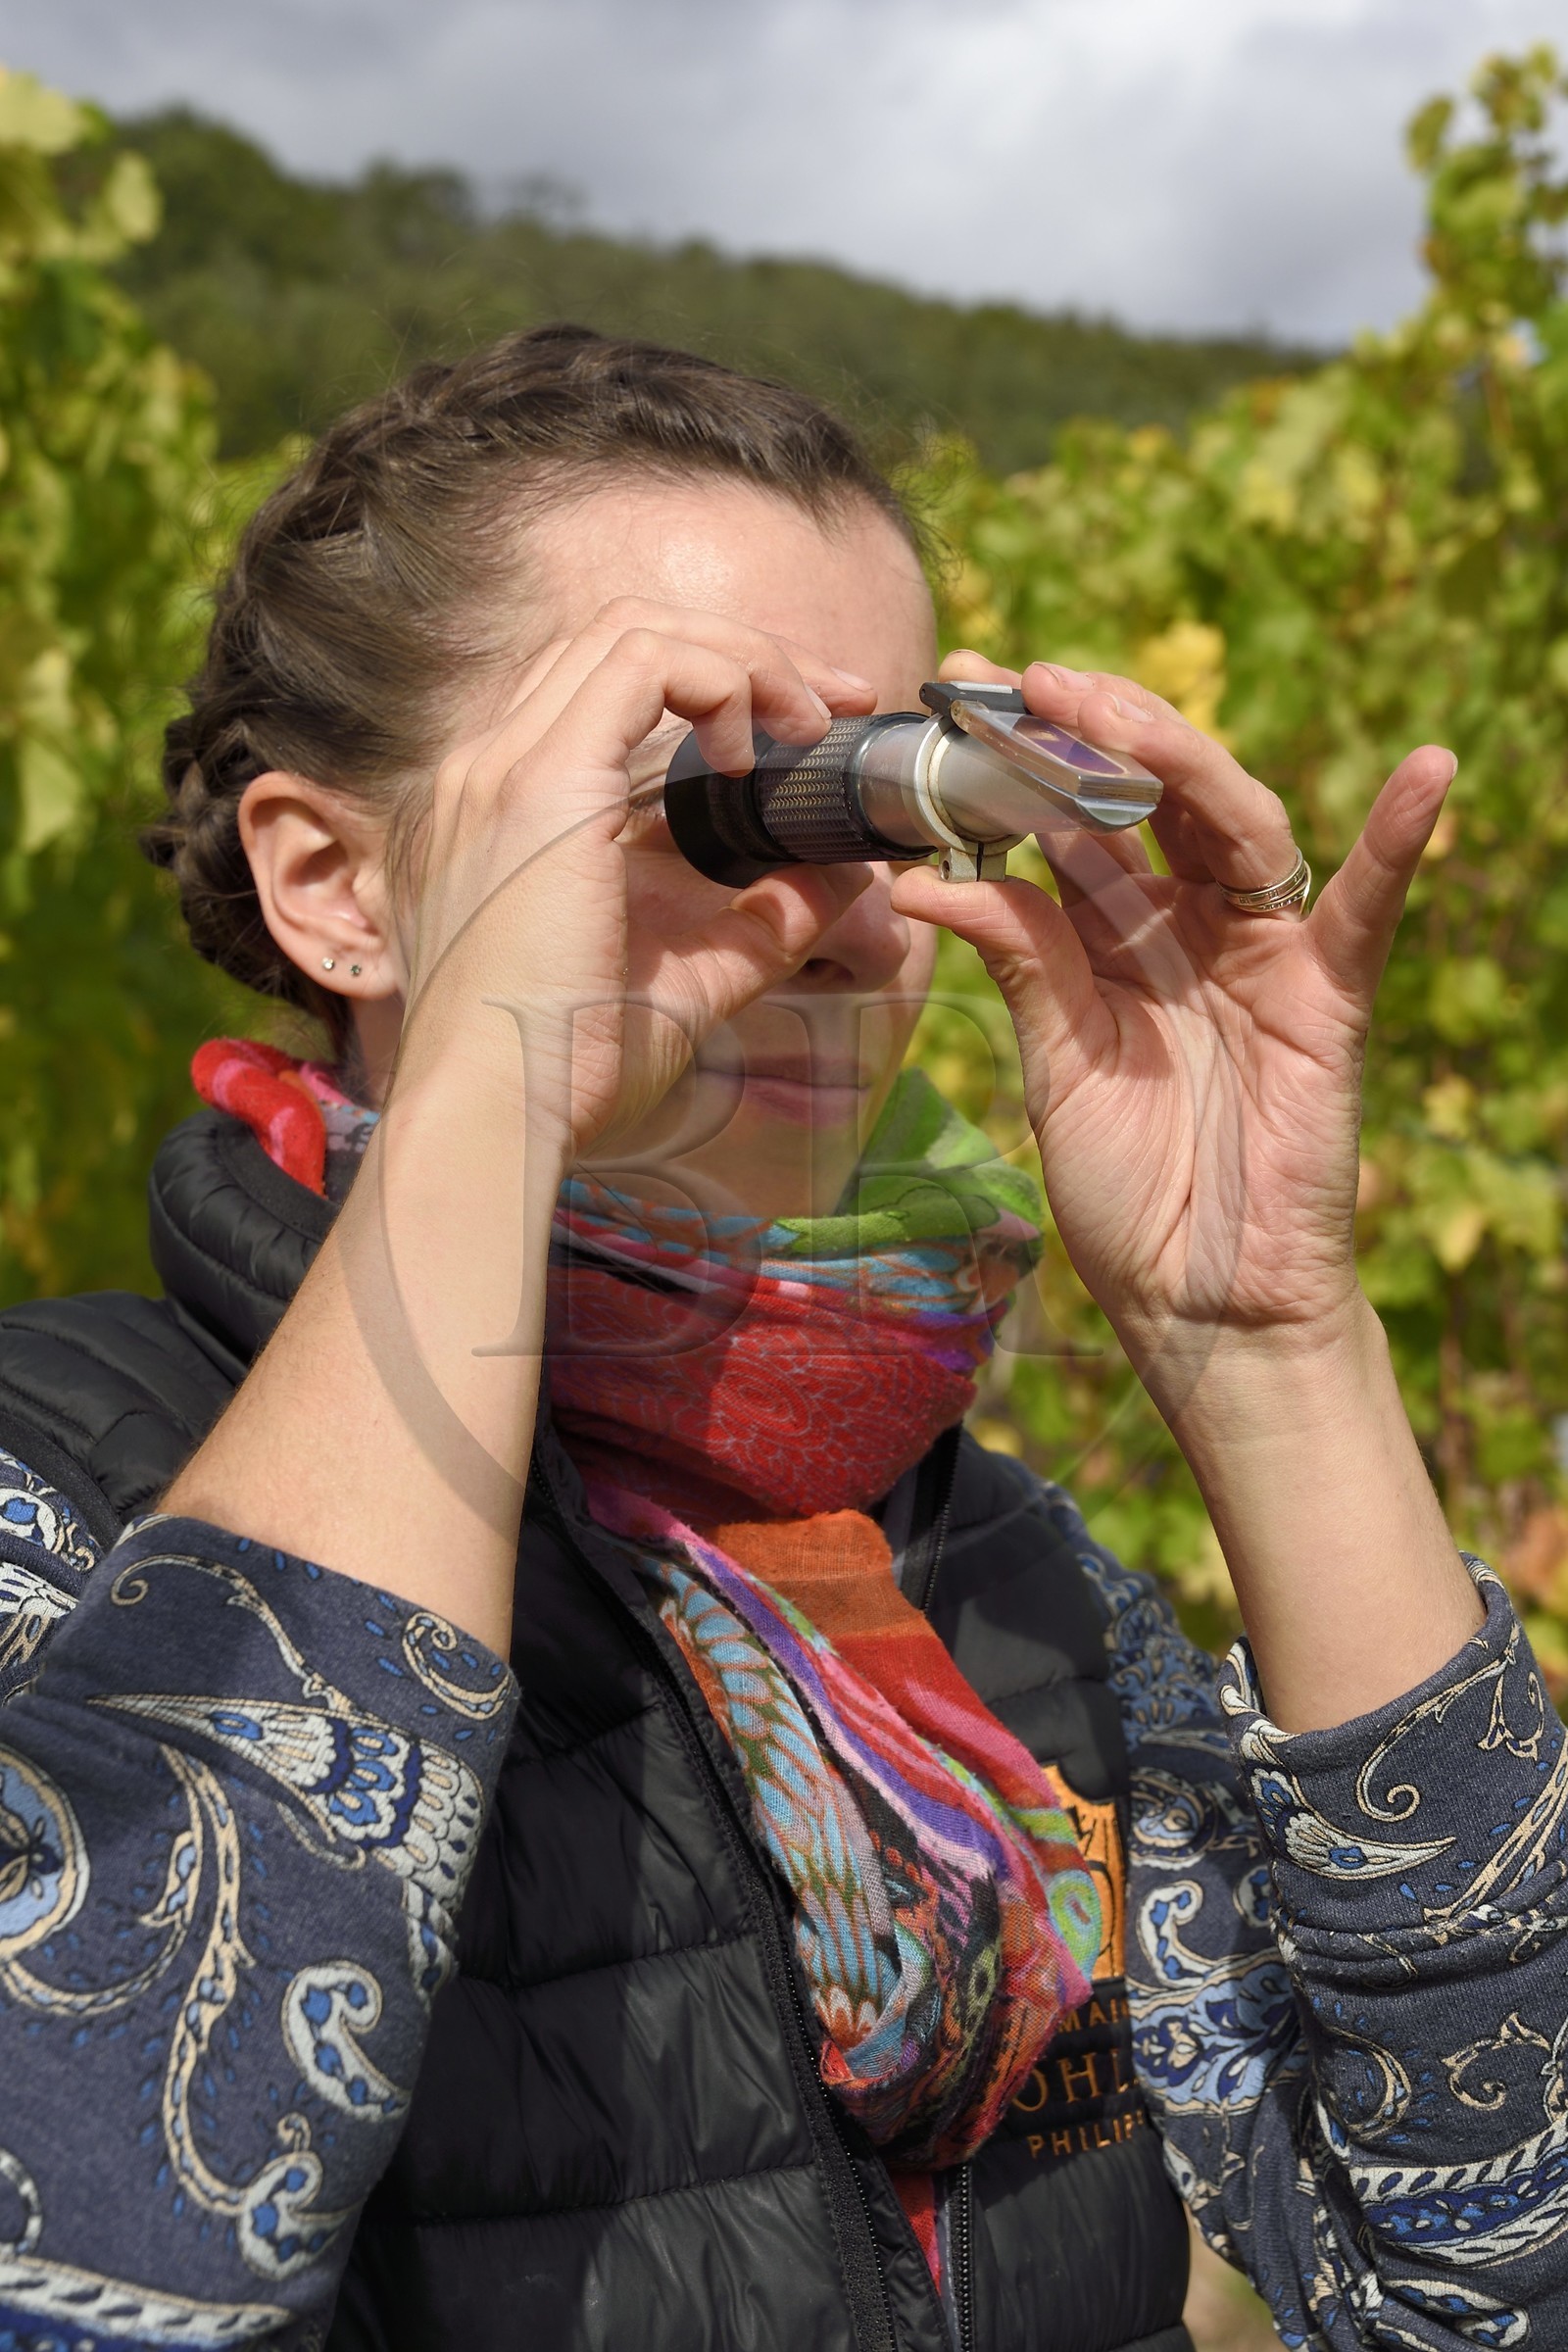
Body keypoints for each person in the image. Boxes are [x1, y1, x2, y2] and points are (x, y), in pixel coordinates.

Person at [0, 324, 1557, 2352]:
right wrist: (495, 1085)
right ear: (335, 890)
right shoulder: (59, 1500)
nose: (842, 919)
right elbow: (99, 2271)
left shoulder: (957, 1558)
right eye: (716, 807)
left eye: (885, 812)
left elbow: (1485, 2272)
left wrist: (1265, 1337)